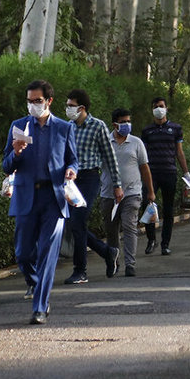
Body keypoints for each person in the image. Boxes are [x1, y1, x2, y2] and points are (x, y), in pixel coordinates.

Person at [3, 79, 79, 323]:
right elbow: (5, 165)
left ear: (49, 101)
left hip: (53, 197)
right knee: (23, 254)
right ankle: (35, 284)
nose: (33, 105)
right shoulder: (19, 126)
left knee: (47, 253)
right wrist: (15, 152)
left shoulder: (64, 128)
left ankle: (40, 307)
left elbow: (73, 160)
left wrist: (71, 171)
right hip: (26, 195)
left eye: (37, 101)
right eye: (29, 101)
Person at [63, 88, 121, 284]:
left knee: (78, 221)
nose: (68, 109)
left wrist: (117, 185)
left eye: (71, 105)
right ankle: (108, 252)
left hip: (89, 178)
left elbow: (110, 158)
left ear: (82, 108)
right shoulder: (67, 127)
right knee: (72, 224)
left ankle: (81, 271)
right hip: (70, 180)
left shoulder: (98, 126)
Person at [102, 108, 153, 276]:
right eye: (123, 122)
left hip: (132, 193)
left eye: (128, 121)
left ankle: (130, 264)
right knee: (111, 230)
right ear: (114, 124)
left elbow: (144, 168)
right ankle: (114, 261)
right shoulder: (104, 142)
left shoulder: (137, 143)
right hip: (108, 194)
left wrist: (150, 191)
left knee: (129, 226)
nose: (127, 125)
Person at [140, 96, 190, 255]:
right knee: (147, 205)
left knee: (168, 210)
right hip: (152, 173)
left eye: (161, 106)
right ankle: (151, 240)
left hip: (169, 172)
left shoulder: (175, 128)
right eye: (156, 106)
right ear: (152, 110)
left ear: (166, 108)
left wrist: (186, 172)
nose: (159, 109)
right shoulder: (147, 131)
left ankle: (165, 244)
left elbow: (179, 152)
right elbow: (143, 155)